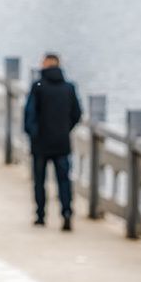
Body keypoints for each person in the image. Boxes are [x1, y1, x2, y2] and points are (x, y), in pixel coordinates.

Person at [23, 52, 83, 230]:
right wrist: (65, 129)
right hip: (62, 142)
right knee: (64, 181)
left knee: (39, 181)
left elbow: (29, 114)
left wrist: (33, 133)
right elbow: (77, 114)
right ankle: (66, 212)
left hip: (40, 143)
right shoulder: (69, 87)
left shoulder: (38, 86)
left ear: (46, 64)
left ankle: (41, 215)